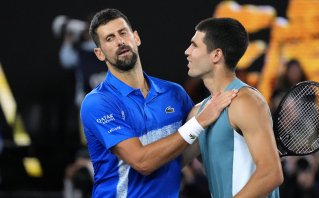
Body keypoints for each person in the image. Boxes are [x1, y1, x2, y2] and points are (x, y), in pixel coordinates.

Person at [80, 8, 238, 197]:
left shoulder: (174, 93)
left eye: (123, 33)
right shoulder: (97, 102)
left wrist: (248, 149)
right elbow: (142, 163)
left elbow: (188, 150)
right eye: (109, 38)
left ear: (136, 38)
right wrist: (200, 120)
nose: (120, 41)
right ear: (99, 53)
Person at [184, 17, 283, 198]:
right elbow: (173, 164)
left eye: (194, 46)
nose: (187, 52)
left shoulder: (247, 102)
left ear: (216, 55)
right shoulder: (199, 113)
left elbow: (271, 174)